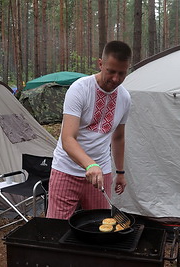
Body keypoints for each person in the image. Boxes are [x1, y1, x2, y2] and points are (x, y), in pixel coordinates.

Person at [46, 40, 132, 220]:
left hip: (100, 174)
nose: (116, 79)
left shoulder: (124, 97)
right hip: (66, 170)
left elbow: (118, 137)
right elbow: (68, 138)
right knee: (56, 227)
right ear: (100, 64)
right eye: (111, 71)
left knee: (99, 225)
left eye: (121, 73)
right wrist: (90, 164)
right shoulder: (80, 89)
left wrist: (121, 172)